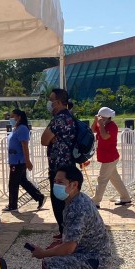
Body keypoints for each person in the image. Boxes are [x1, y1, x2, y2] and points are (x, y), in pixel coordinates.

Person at [29, 165, 110, 269]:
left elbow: (68, 248)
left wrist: (43, 254)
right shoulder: (76, 200)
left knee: (53, 263)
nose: (56, 185)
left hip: (95, 259)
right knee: (53, 254)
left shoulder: (78, 207)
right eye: (55, 181)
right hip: (90, 255)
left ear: (74, 185)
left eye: (60, 182)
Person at [40, 88, 77, 241]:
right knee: (67, 199)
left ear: (59, 102)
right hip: (68, 164)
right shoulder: (70, 117)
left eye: (51, 100)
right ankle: (66, 232)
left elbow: (43, 140)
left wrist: (52, 139)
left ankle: (65, 234)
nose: (49, 103)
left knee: (58, 199)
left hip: (59, 166)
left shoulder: (59, 119)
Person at [5, 109, 45, 213]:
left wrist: (27, 160)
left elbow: (25, 146)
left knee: (13, 183)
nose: (11, 119)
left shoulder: (22, 129)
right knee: (23, 181)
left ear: (19, 117)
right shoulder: (16, 128)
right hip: (14, 160)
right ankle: (39, 197)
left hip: (19, 161)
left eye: (12, 116)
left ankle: (12, 205)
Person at [91, 106, 131, 207]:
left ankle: (96, 201)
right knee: (115, 179)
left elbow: (104, 136)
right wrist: (95, 121)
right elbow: (92, 130)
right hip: (106, 157)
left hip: (110, 157)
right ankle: (125, 198)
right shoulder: (102, 124)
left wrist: (100, 124)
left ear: (107, 118)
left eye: (102, 117)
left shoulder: (112, 126)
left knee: (102, 179)